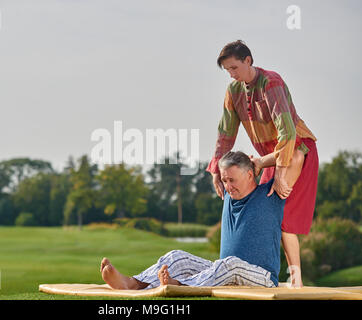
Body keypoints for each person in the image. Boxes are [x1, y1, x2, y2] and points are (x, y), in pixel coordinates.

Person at [100, 151, 302, 290]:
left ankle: (180, 287)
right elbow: (220, 158)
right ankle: (132, 284)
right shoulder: (228, 198)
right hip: (223, 272)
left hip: (262, 278)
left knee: (230, 264)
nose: (228, 186)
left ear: (250, 174)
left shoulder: (271, 194)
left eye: (232, 180)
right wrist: (220, 175)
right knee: (177, 257)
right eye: (224, 180)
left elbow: (296, 155)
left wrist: (260, 162)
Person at [207, 40, 319, 287]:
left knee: (285, 220)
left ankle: (296, 279)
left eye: (235, 67)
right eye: (228, 70)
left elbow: (287, 132)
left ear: (248, 60)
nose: (232, 74)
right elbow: (225, 132)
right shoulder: (233, 91)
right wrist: (216, 170)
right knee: (268, 215)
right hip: (267, 159)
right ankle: (253, 274)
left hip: (297, 150)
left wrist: (280, 170)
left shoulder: (271, 82)